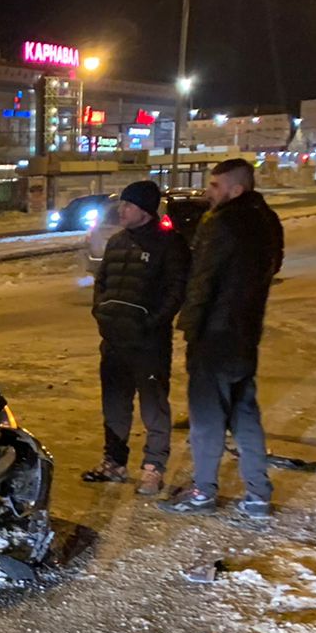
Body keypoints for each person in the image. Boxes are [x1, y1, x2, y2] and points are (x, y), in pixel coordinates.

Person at [164, 158, 277, 517]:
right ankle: (258, 495)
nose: (208, 193)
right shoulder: (267, 221)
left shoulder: (220, 223)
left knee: (207, 420)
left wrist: (190, 329)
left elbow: (202, 282)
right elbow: (272, 267)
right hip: (245, 334)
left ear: (236, 189)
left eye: (215, 186)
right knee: (245, 413)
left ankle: (203, 492)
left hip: (215, 336)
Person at [82, 180, 190, 498]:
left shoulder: (170, 245)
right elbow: (101, 283)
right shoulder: (116, 242)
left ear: (144, 210)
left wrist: (151, 324)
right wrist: (100, 313)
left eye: (128, 205)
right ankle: (114, 462)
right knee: (115, 404)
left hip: (149, 343)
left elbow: (176, 292)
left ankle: (153, 468)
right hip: (114, 340)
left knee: (153, 407)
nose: (121, 210)